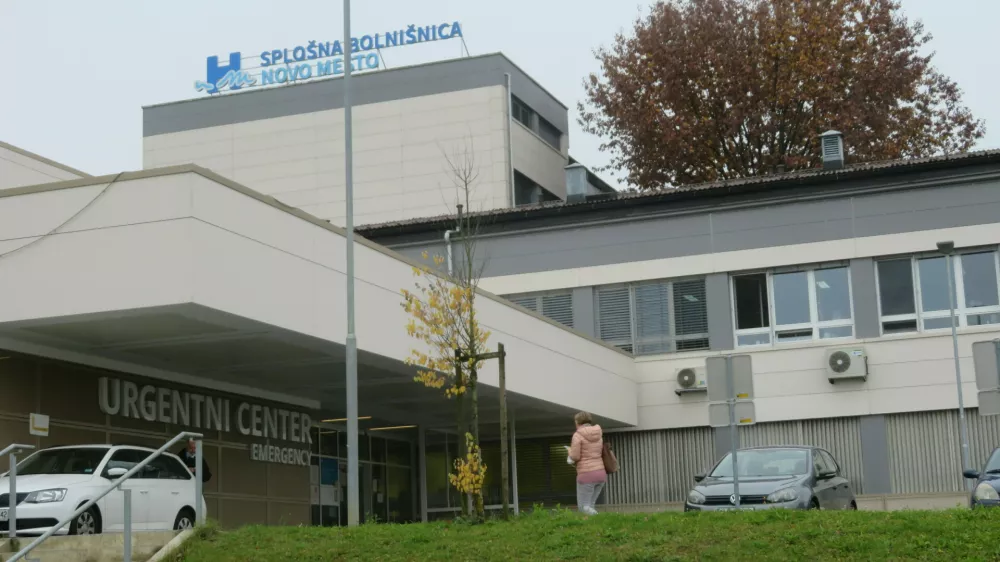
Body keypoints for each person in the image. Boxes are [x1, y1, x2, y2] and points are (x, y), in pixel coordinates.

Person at [568, 411, 606, 516]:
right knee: (590, 506)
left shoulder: (577, 435)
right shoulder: (598, 434)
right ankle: (593, 524)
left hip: (586, 474)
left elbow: (575, 456)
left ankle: (599, 518)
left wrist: (570, 452)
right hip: (601, 473)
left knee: (583, 507)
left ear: (578, 422)